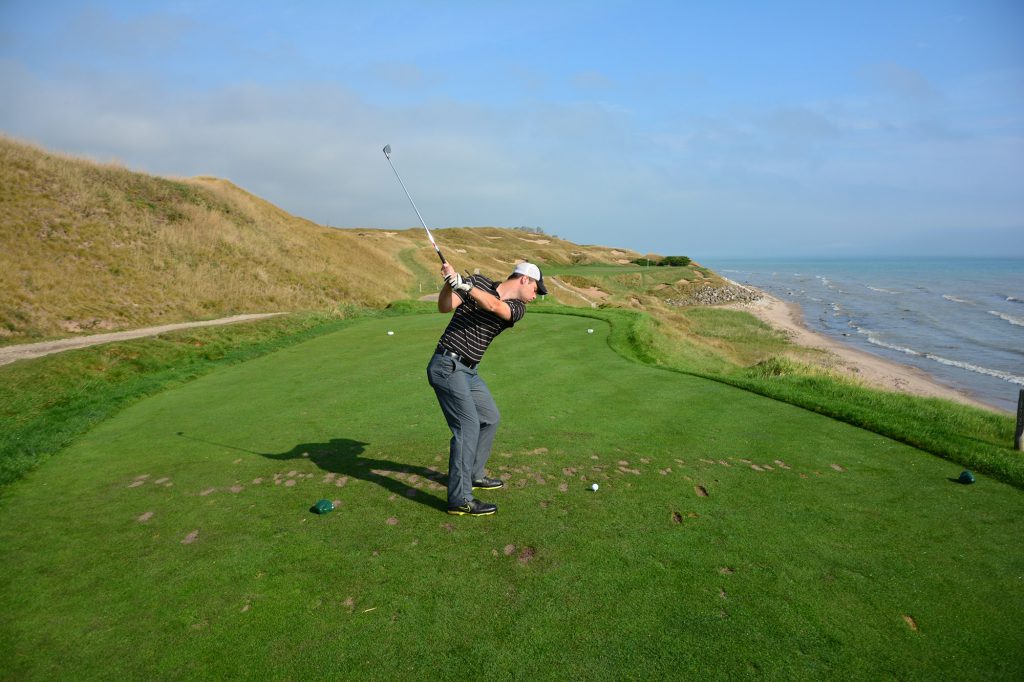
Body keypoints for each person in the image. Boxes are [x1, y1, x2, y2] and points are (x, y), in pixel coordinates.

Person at [427, 260, 547, 516]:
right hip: (447, 364)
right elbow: (444, 306)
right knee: (467, 426)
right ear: (524, 279)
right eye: (537, 288)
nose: (537, 295)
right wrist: (450, 285)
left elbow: (493, 305)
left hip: (469, 371)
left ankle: (473, 474)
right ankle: (459, 499)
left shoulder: (517, 308)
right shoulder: (479, 282)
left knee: (490, 418)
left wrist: (464, 286)